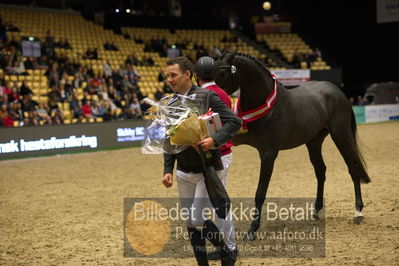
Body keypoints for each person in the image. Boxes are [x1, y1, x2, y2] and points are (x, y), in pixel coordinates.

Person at [162, 56, 241, 266]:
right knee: (190, 223)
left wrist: (214, 139)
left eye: (173, 75)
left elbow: (234, 122)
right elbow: (168, 139)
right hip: (182, 171)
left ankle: (227, 251)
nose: (169, 79)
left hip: (205, 167)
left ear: (187, 74)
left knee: (197, 219)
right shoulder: (170, 103)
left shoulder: (207, 96)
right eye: (167, 76)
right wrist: (167, 169)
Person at [193, 56, 235, 261]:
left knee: (218, 205)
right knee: (217, 203)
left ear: (196, 76)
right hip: (226, 152)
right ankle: (227, 244)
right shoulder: (224, 94)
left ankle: (229, 246)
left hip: (214, 155)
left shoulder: (204, 95)